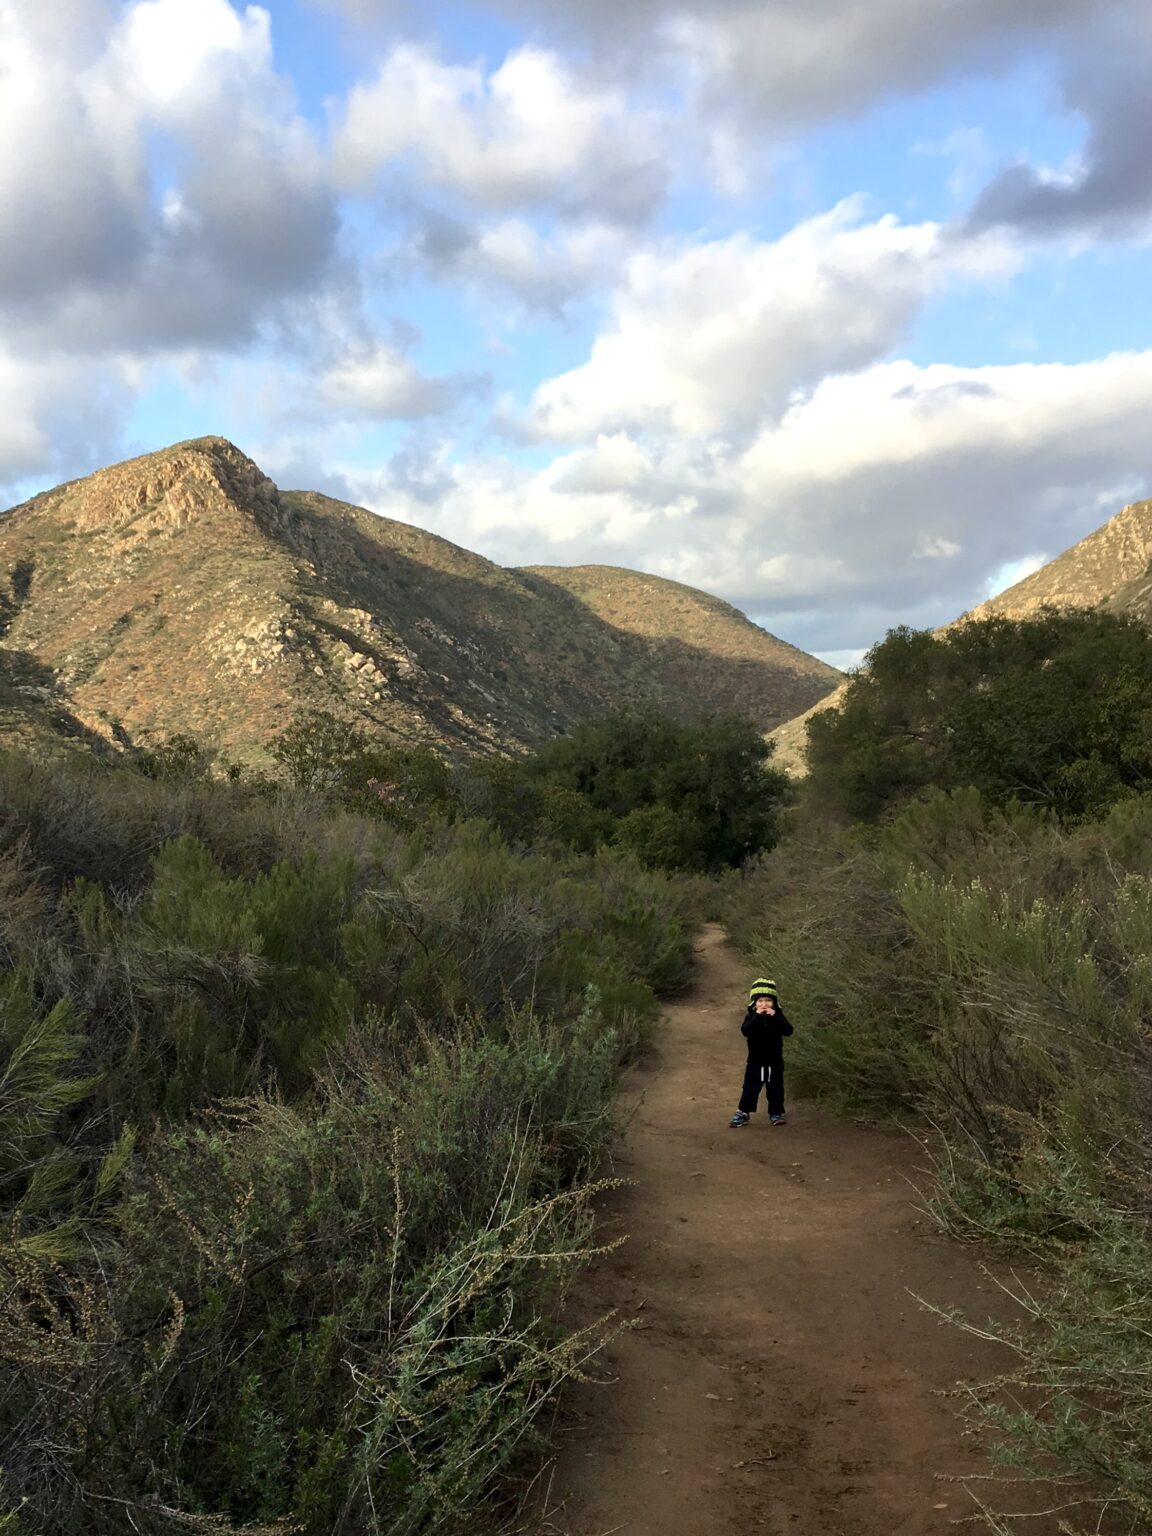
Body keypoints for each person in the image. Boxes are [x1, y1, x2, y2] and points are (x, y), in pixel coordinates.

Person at [729, 977, 793, 1128]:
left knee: (775, 1088)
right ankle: (743, 1112)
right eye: (760, 1001)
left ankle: (776, 1113)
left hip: (774, 1061)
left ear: (774, 1003)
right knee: (750, 1087)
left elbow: (788, 1031)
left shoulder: (778, 1017)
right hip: (755, 1062)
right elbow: (745, 1031)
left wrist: (775, 1016)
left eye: (768, 1000)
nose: (764, 1004)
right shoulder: (751, 1017)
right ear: (754, 1003)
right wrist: (757, 1016)